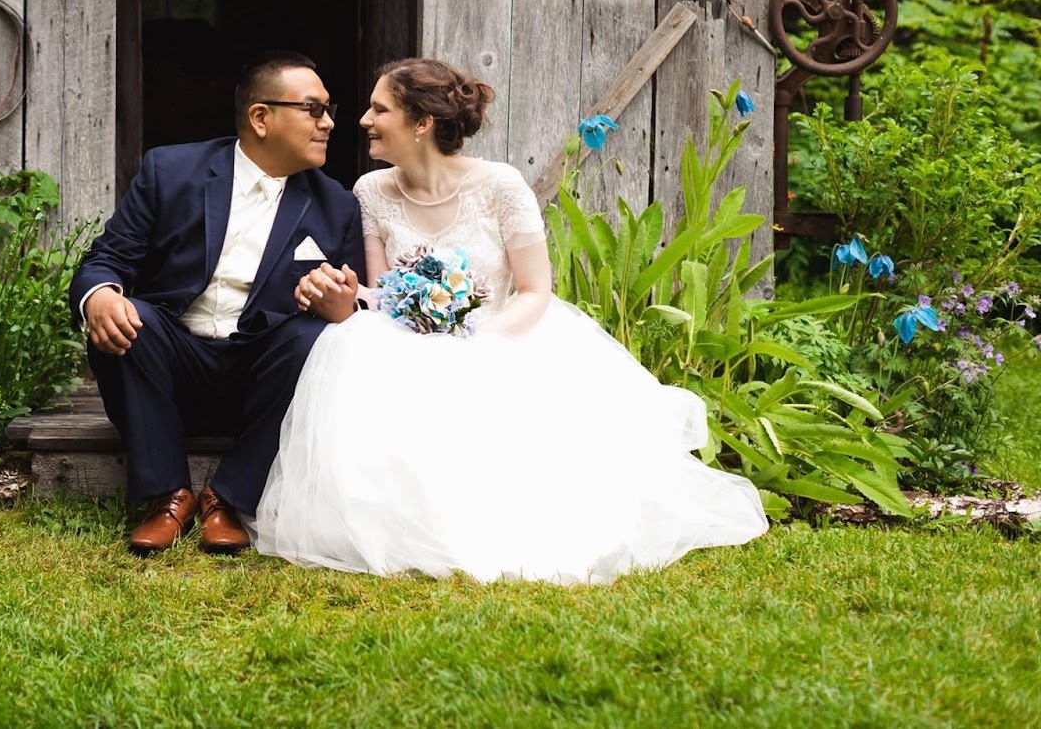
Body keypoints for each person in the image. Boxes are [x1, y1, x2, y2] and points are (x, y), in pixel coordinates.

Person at [252, 58, 768, 583]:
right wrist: (342, 295)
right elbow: (384, 293)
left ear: (421, 122)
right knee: (360, 358)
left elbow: (535, 290)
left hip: (501, 334)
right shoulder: (370, 192)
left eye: (379, 109)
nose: (362, 119)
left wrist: (476, 343)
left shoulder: (500, 184)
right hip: (406, 339)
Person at [70, 51, 365, 556]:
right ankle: (168, 495)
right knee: (127, 315)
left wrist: (342, 306)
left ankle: (227, 498)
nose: (329, 122)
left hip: (259, 378)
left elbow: (358, 306)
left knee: (315, 338)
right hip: (172, 363)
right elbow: (108, 258)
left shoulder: (336, 203)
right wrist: (98, 296)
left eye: (327, 110)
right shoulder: (172, 170)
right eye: (314, 109)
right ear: (261, 118)